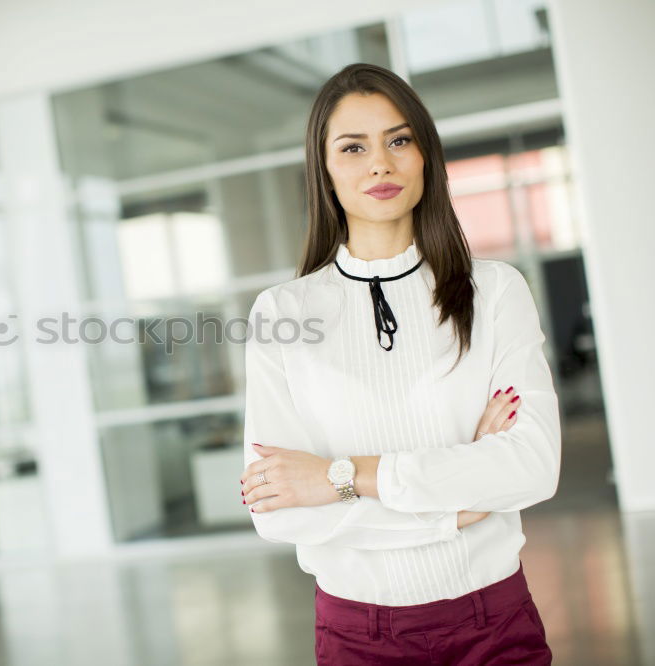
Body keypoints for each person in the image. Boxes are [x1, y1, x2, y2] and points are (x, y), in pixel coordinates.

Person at [238, 63, 559, 665]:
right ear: (325, 169)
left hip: (493, 620)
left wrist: (339, 478)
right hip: (357, 635)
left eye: (399, 140)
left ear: (424, 157)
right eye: (353, 147)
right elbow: (278, 511)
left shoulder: (495, 292)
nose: (380, 163)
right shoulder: (282, 311)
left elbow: (533, 468)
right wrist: (456, 506)